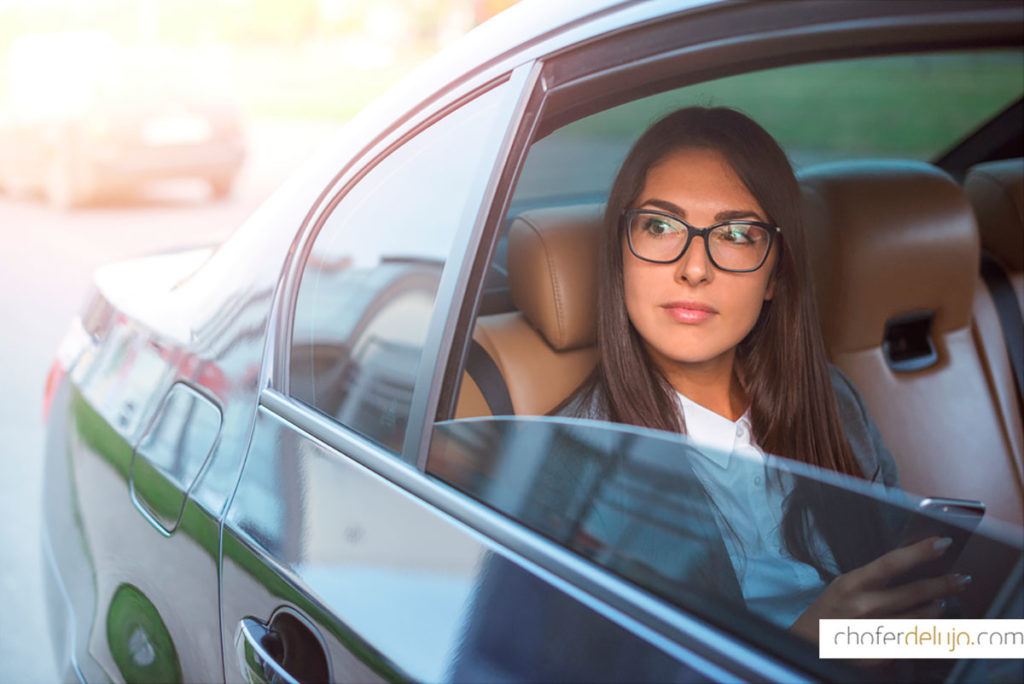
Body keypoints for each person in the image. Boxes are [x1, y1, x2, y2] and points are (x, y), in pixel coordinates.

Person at [560, 106, 969, 641]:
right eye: (660, 226)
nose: (694, 268)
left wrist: (994, 639)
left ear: (775, 274)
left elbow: (914, 621)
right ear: (620, 254)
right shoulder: (572, 461)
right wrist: (805, 647)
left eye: (735, 234)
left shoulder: (833, 401)